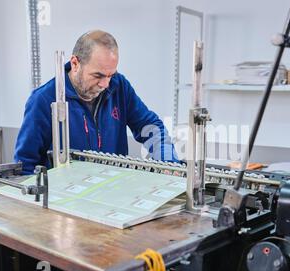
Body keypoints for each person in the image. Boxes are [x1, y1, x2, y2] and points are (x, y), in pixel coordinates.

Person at [14, 30, 177, 174]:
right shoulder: (43, 100)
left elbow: (151, 128)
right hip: (66, 201)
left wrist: (170, 164)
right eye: (98, 76)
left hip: (112, 192)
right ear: (75, 64)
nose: (105, 84)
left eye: (111, 75)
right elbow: (26, 166)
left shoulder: (119, 87)